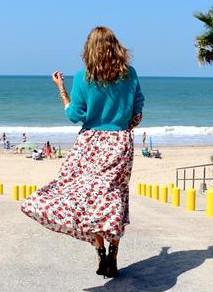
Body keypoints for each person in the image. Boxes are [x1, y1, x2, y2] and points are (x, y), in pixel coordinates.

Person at [20, 26, 144, 278]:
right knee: (115, 196)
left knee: (83, 195)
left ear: (88, 49)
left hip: (90, 144)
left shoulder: (83, 77)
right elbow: (138, 107)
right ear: (116, 47)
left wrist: (61, 89)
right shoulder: (129, 74)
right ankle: (113, 253)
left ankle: (100, 253)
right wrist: (126, 125)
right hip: (119, 142)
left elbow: (74, 115)